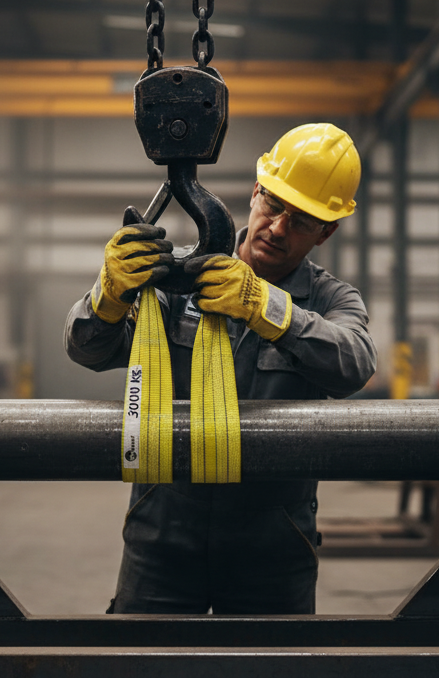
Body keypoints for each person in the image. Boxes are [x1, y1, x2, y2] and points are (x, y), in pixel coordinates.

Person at [64, 122, 376, 615]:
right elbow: (87, 350)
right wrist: (108, 294)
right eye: (273, 205)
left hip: (273, 546)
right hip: (163, 534)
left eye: (301, 221)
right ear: (256, 192)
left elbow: (354, 363)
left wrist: (267, 308)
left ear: (327, 231)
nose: (277, 228)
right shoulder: (178, 277)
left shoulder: (330, 299)